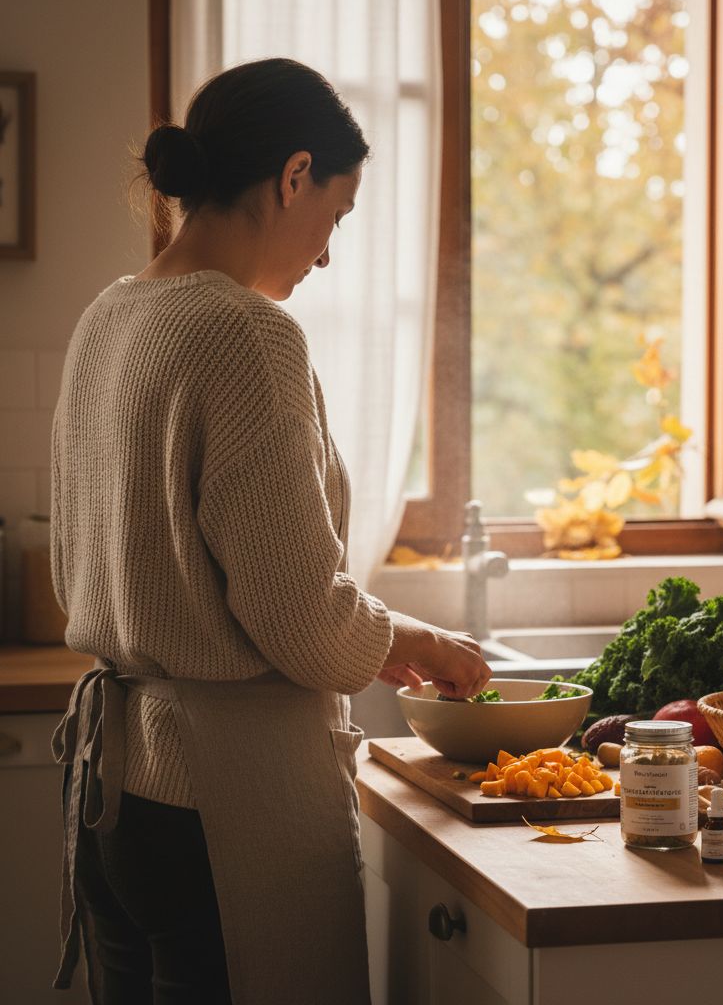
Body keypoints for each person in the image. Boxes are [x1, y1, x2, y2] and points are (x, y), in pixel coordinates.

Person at [50, 57, 491, 1005]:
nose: (327, 253)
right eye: (336, 214)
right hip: (221, 802)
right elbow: (300, 618)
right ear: (294, 176)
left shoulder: (108, 316)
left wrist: (380, 639)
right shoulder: (246, 335)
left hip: (113, 797)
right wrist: (411, 640)